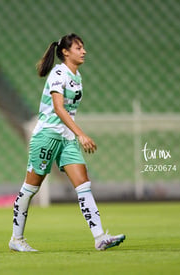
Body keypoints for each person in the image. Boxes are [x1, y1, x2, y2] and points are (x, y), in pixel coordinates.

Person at [8, 33, 125, 252]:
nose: (84, 51)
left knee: (83, 184)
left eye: (83, 48)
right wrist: (81, 134)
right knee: (31, 188)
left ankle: (99, 237)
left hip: (66, 139)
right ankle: (16, 239)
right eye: (79, 48)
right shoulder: (58, 74)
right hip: (47, 136)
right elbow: (59, 108)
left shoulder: (77, 76)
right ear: (65, 52)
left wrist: (74, 135)